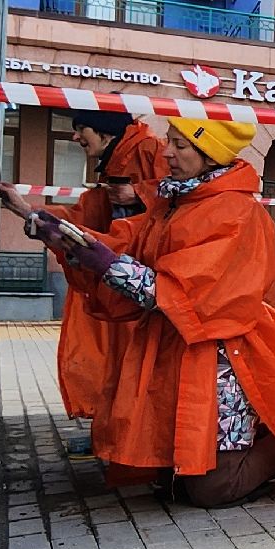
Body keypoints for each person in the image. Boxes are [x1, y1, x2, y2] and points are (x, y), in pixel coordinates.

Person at [0, 117, 275, 509]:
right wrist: (37, 219)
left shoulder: (235, 211)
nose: (166, 152)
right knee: (176, 476)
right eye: (169, 141)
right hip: (180, 347)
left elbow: (179, 291)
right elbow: (124, 239)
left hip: (225, 354)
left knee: (209, 490)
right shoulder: (174, 203)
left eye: (179, 145)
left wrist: (101, 261)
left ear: (209, 155)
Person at [56, 112, 168, 460]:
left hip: (142, 283)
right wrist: (31, 213)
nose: (75, 138)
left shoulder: (149, 149)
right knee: (116, 364)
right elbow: (88, 213)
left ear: (103, 131)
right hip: (121, 280)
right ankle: (111, 437)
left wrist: (136, 191)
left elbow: (174, 200)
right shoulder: (117, 158)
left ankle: (130, 441)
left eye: (80, 129)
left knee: (136, 368)